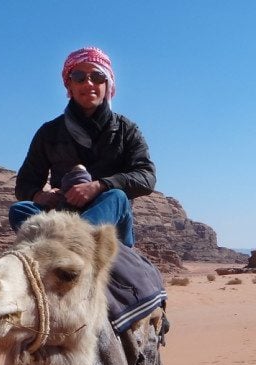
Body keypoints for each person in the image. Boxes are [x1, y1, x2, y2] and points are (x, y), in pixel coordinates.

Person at [11, 46, 156, 247]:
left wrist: (99, 186)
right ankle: (71, 240)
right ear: (69, 85)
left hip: (109, 223)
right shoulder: (49, 132)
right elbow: (25, 182)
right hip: (64, 214)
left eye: (97, 76)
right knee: (20, 210)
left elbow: (146, 177)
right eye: (79, 76)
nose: (88, 83)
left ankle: (73, 243)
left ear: (107, 84)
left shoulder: (126, 129)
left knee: (117, 196)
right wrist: (40, 195)